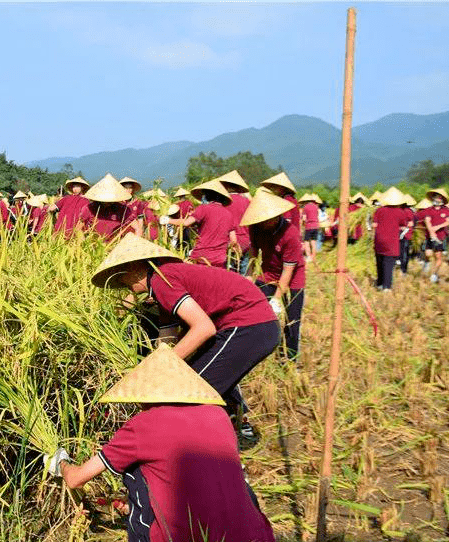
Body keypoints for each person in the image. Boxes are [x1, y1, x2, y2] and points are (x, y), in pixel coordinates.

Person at [44, 344, 275, 542]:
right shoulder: (218, 415)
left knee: (134, 468)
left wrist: (60, 463)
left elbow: (76, 479)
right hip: (257, 534)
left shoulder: (144, 425)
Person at [92, 233, 280, 446]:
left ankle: (213, 455)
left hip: (248, 325)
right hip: (252, 326)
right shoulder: (162, 281)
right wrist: (150, 369)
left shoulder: (162, 280)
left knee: (191, 392)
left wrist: (160, 368)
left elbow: (203, 328)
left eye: (120, 276)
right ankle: (233, 434)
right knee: (198, 375)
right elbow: (167, 340)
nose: (121, 283)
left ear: (135, 269)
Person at [242, 190, 306, 362]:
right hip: (267, 275)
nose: (262, 223)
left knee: (291, 322)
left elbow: (288, 270)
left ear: (275, 217)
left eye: (266, 220)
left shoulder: (290, 234)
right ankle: (264, 354)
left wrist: (277, 298)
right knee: (262, 317)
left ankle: (290, 359)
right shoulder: (255, 227)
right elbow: (254, 253)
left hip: (293, 281)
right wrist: (249, 277)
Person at [160, 179, 236, 268]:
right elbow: (233, 240)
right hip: (220, 258)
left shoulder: (203, 208)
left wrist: (168, 221)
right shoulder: (229, 214)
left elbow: (186, 223)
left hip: (202, 256)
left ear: (207, 195)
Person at [76, 174, 141, 242]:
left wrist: (135, 244)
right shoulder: (89, 208)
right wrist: (84, 243)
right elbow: (78, 228)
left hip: (115, 246)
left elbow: (137, 229)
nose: (107, 202)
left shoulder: (122, 209)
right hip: (95, 245)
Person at [372, 187, 413, 291]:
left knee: (380, 261)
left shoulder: (379, 210)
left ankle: (380, 283)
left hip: (379, 240)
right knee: (389, 263)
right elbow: (404, 225)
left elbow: (374, 225)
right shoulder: (400, 212)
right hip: (391, 240)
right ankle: (387, 287)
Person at [215, 171, 252, 272]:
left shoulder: (223, 202)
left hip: (229, 242)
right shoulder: (247, 202)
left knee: (230, 273)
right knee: (244, 271)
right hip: (246, 240)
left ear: (226, 186)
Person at [422, 188, 449, 283]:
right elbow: (427, 221)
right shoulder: (429, 210)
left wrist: (438, 227)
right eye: (435, 197)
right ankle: (426, 263)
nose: (437, 199)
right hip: (430, 236)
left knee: (438, 257)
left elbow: (448, 222)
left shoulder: (446, 210)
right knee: (428, 254)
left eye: (439, 198)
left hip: (440, 236)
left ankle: (434, 274)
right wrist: (432, 232)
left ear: (442, 200)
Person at [299, 194, 321, 263]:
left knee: (306, 242)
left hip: (309, 226)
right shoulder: (316, 207)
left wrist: (302, 224)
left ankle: (308, 256)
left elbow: (304, 218)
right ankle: (314, 256)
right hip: (316, 226)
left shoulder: (305, 207)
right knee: (313, 242)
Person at [399, 195, 418, 274]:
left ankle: (403, 269)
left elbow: (411, 223)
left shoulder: (406, 211)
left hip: (404, 234)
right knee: (403, 252)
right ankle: (403, 269)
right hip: (405, 234)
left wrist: (403, 226)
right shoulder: (409, 211)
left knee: (403, 252)